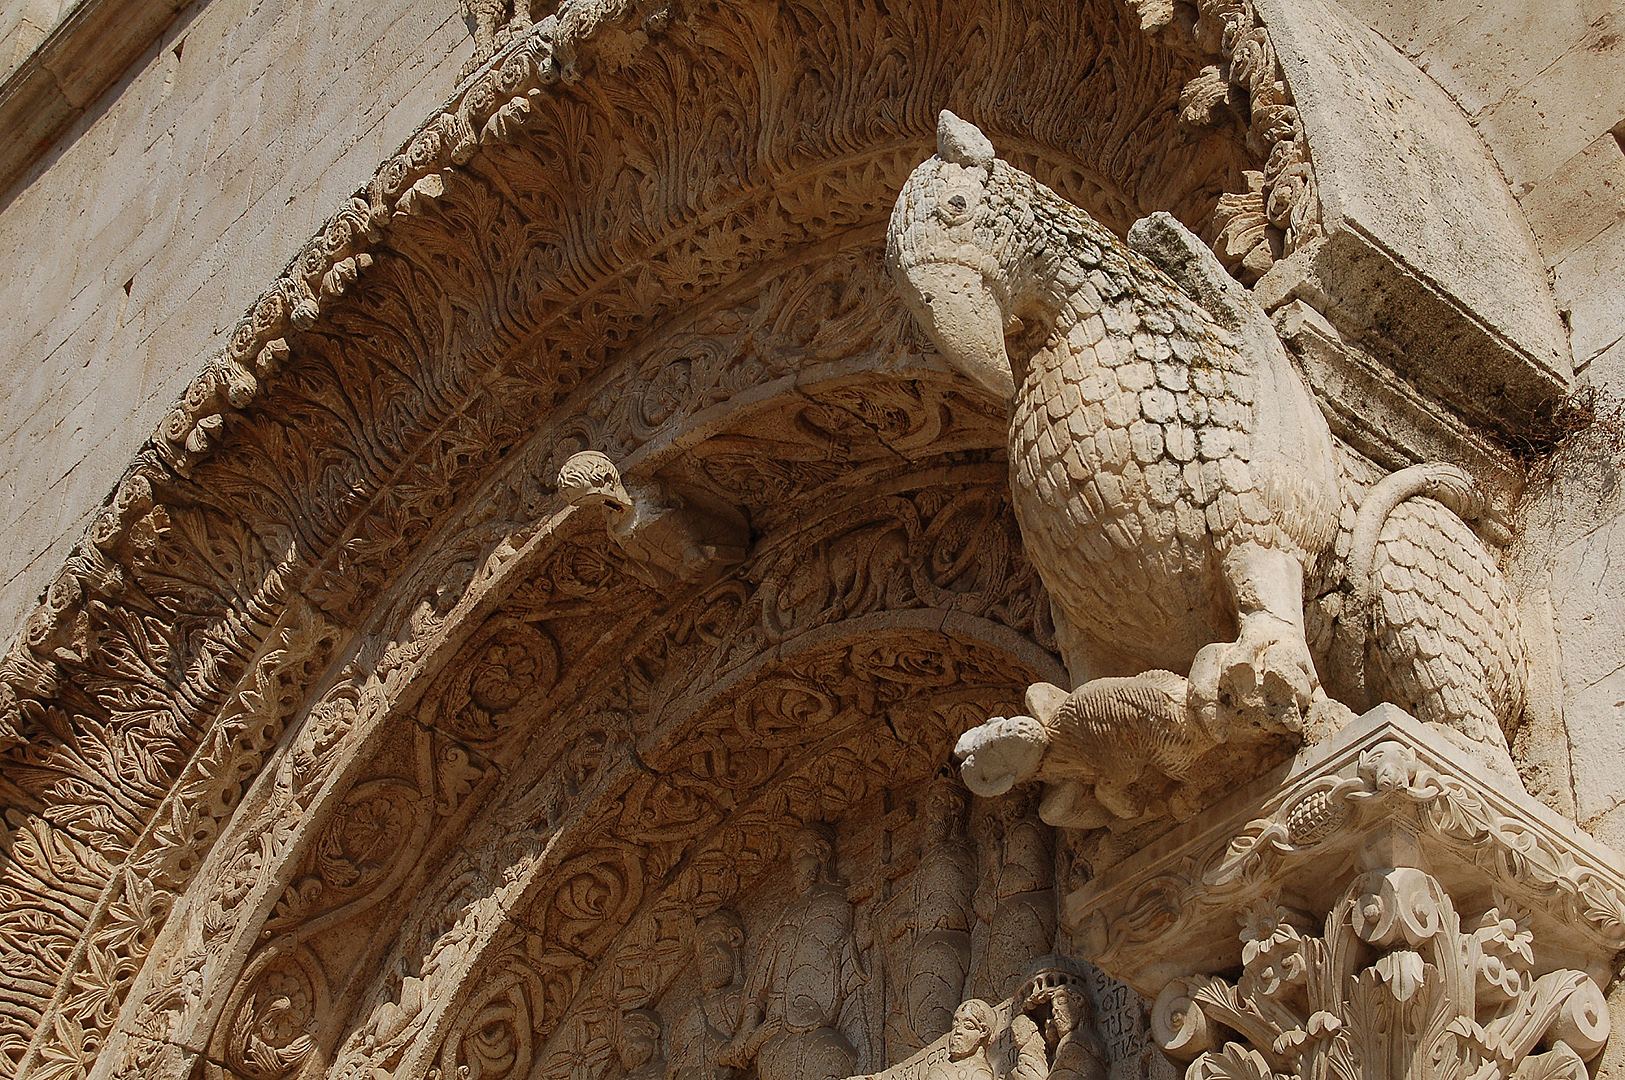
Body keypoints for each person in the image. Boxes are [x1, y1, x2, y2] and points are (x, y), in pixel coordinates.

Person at [720, 824, 864, 1080]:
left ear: (821, 853)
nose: (794, 867)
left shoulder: (841, 901)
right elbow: (759, 979)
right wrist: (748, 1029)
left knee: (833, 1057)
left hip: (816, 1020)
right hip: (775, 1031)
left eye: (800, 855)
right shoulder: (786, 916)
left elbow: (846, 956)